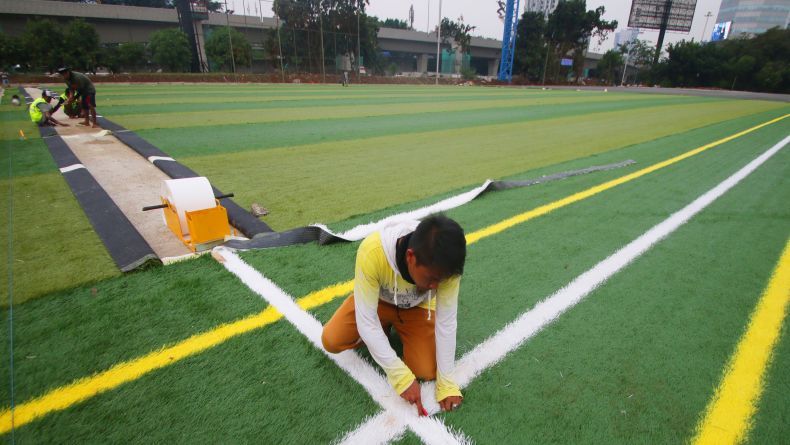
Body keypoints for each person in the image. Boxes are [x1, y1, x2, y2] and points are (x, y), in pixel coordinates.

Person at [322, 214, 467, 414]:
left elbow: (447, 323)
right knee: (331, 340)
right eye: (431, 279)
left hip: (418, 308)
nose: (436, 286)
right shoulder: (372, 251)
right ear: (410, 257)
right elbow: (366, 321)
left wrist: (447, 382)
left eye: (441, 281)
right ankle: (381, 328)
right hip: (379, 301)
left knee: (425, 370)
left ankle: (383, 333)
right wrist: (400, 377)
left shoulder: (446, 269)